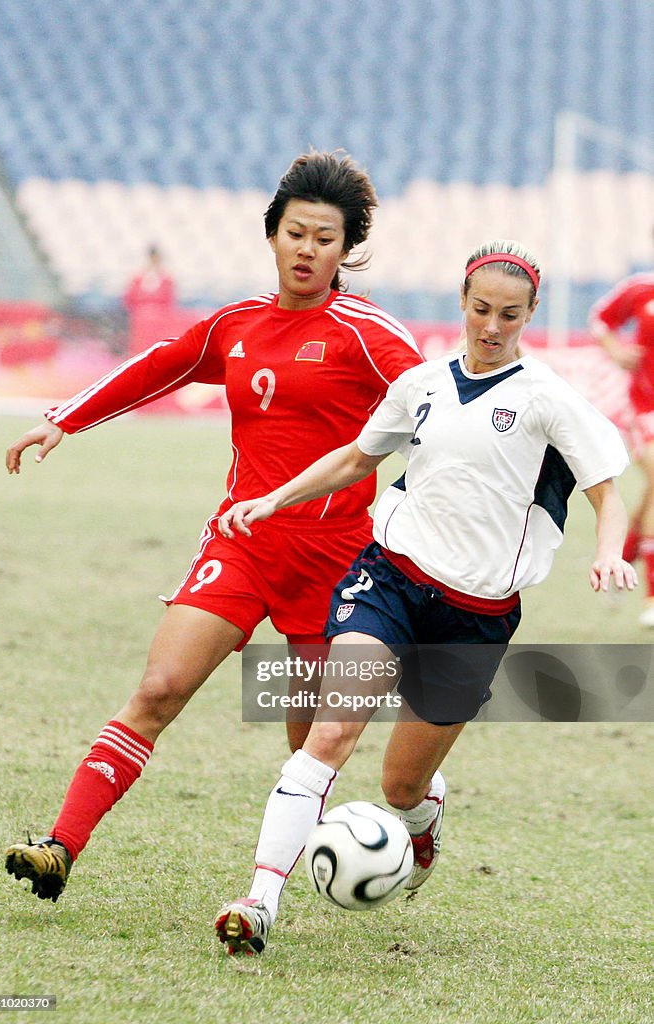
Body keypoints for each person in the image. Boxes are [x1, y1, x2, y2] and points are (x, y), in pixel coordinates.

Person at [3, 151, 424, 903]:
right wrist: (63, 419)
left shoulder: (367, 333)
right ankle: (59, 846)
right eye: (295, 232)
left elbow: (432, 407)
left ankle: (394, 821)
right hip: (242, 544)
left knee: (308, 748)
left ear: (343, 250)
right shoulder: (237, 325)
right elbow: (155, 366)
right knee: (160, 688)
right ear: (271, 235)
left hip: (334, 564)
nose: (306, 249)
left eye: (324, 238)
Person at [213, 239, 637, 956]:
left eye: (508, 314)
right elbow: (357, 456)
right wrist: (274, 497)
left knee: (401, 783)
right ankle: (258, 901)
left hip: (474, 619)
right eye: (479, 309)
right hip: (388, 581)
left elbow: (607, 493)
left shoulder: (548, 399)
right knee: (330, 732)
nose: (491, 325)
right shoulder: (421, 384)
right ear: (462, 303)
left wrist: (606, 553)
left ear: (530, 314)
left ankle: (421, 821)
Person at [589, 250, 654, 625]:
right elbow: (600, 319)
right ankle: (651, 595)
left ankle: (624, 556)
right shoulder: (640, 289)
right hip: (645, 407)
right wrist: (615, 349)